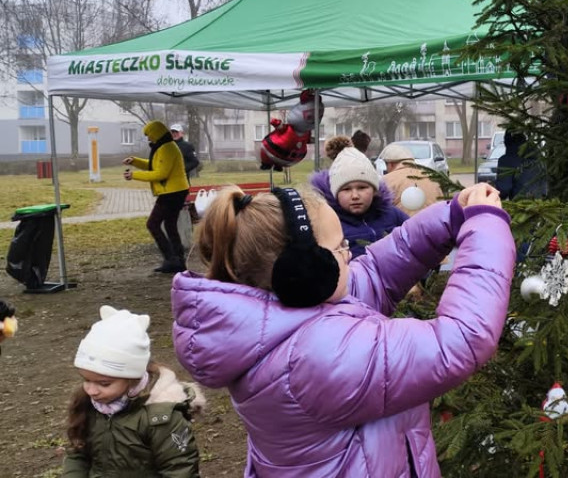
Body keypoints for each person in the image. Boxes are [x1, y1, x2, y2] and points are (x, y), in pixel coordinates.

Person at [171, 182, 514, 476]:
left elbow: (375, 272)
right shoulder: (314, 355)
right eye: (339, 248)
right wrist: (486, 226)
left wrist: (450, 217)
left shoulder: (286, 313)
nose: (349, 256)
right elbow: (461, 339)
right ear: (302, 269)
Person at [63, 305, 204, 476]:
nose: (91, 391)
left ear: (132, 379)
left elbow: (179, 468)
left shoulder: (160, 417)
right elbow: (78, 453)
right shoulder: (88, 405)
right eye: (86, 380)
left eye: (104, 384)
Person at [309, 138, 409, 258]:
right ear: (335, 193)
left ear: (374, 190)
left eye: (362, 188)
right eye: (346, 189)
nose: (355, 196)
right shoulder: (326, 222)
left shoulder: (391, 214)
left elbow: (415, 239)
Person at [123, 120, 190, 273]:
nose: (148, 138)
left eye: (149, 135)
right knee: (170, 225)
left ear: (156, 133)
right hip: (176, 191)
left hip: (171, 193)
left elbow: (160, 173)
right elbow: (155, 165)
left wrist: (134, 175)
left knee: (152, 224)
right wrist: (135, 161)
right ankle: (178, 259)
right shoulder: (163, 146)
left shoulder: (167, 148)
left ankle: (171, 259)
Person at [379, 142, 445, 216]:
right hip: (432, 221)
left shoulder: (386, 180)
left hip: (403, 222)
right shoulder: (432, 178)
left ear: (391, 164)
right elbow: (442, 206)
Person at [495, 130, 548, 200]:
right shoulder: (539, 157)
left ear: (506, 142)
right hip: (543, 202)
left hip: (520, 203)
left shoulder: (506, 160)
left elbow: (504, 189)